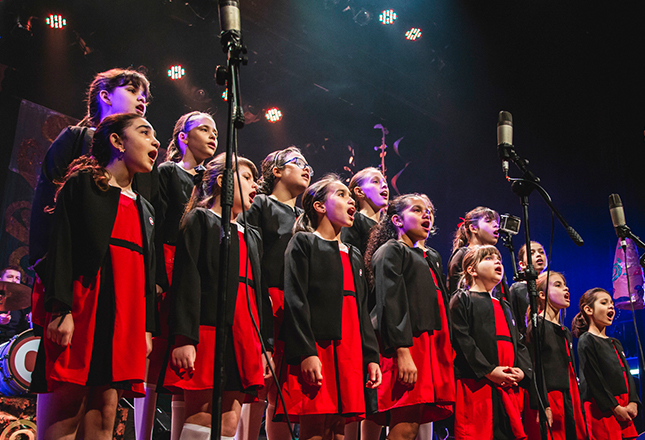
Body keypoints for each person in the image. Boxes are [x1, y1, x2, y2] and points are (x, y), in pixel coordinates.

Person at [31, 113, 159, 440]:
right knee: (66, 407)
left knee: (106, 409)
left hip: (123, 318)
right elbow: (61, 248)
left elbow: (147, 273)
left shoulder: (145, 207)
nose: (155, 142)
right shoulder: (84, 185)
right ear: (116, 141)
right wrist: (61, 310)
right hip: (84, 307)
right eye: (144, 132)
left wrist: (145, 327)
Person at [164, 153, 268, 440]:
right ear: (223, 180)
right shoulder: (201, 219)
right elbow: (187, 280)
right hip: (209, 332)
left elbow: (257, 295)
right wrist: (185, 338)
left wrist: (263, 344)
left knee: (228, 423)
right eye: (247, 177)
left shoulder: (251, 235)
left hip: (243, 338)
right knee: (202, 415)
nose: (254, 185)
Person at [277, 175, 382, 440]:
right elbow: (295, 300)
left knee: (339, 428)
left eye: (351, 196)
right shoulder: (303, 243)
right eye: (342, 195)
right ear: (320, 206)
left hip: (349, 350)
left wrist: (370, 356)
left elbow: (361, 309)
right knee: (315, 425)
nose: (351, 202)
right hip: (318, 348)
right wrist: (306, 352)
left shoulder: (353, 254)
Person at [135, 111, 218, 440]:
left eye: (215, 131)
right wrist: (155, 274)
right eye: (203, 129)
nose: (213, 136)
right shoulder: (168, 172)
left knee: (185, 365)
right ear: (183, 137)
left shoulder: (210, 186)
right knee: (155, 354)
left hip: (193, 271)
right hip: (168, 263)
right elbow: (154, 225)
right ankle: (141, 432)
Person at [235, 146, 311, 440]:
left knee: (284, 388)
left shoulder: (305, 218)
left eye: (308, 166)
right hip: (265, 298)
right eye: (297, 163)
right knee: (260, 380)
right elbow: (250, 252)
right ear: (276, 171)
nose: (306, 168)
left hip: (294, 305)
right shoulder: (261, 205)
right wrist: (259, 292)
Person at [365, 194, 454, 440]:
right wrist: (403, 352)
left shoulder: (431, 257)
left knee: (415, 424)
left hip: (430, 347)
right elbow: (389, 302)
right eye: (417, 210)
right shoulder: (392, 250)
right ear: (397, 219)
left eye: (429, 211)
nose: (427, 214)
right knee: (405, 424)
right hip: (408, 346)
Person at [450, 245, 532, 440]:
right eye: (489, 258)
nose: (497, 262)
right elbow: (463, 340)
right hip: (477, 384)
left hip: (506, 384)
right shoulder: (462, 299)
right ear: (472, 270)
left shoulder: (504, 305)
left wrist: (522, 370)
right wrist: (488, 370)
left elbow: (517, 342)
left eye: (499, 259)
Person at [522, 271, 587, 440]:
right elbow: (535, 367)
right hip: (550, 397)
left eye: (565, 285)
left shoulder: (564, 331)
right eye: (558, 285)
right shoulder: (537, 326)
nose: (566, 289)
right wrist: (543, 404)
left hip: (568, 396)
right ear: (542, 295)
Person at [573, 288, 639, 440]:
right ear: (588, 309)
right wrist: (615, 407)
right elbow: (594, 378)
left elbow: (627, 374)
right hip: (603, 409)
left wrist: (633, 401)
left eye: (611, 303)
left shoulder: (615, 342)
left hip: (624, 405)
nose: (611, 306)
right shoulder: (587, 340)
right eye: (604, 303)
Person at [447, 207, 501, 296]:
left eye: (497, 222)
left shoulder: (496, 260)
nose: (496, 225)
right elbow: (454, 291)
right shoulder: (463, 254)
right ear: (473, 228)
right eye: (488, 221)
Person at [341, 167, 389, 256]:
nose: (384, 185)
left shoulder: (387, 227)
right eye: (375, 181)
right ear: (359, 191)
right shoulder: (354, 220)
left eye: (385, 182)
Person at [508, 241, 549, 337]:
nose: (538, 255)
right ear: (522, 264)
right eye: (531, 253)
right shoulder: (517, 289)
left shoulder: (550, 288)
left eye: (541, 252)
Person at [0, 265, 31, 344]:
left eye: (17, 278)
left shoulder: (21, 306)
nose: (14, 280)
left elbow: (23, 332)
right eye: (10, 277)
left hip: (11, 348)